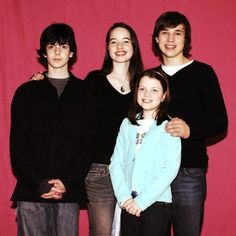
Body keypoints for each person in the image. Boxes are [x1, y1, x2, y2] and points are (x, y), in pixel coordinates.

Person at [10, 23, 95, 236]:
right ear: (44, 53)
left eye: (63, 46)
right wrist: (39, 182)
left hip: (68, 191)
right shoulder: (26, 93)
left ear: (72, 52)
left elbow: (88, 145)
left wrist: (66, 182)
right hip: (31, 191)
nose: (57, 52)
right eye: (51, 46)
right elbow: (18, 145)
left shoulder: (85, 93)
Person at [151, 11, 228, 236]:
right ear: (156, 39)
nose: (171, 39)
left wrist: (190, 130)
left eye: (178, 33)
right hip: (153, 173)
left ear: (187, 39)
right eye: (165, 33)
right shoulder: (149, 77)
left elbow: (220, 121)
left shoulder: (203, 73)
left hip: (189, 171)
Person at [84, 22, 143, 236]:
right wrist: (43, 80)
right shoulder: (94, 81)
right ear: (107, 48)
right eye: (113, 41)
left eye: (125, 41)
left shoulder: (143, 84)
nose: (119, 46)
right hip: (101, 170)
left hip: (135, 171)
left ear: (134, 47)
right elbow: (70, 104)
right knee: (102, 231)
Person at [109, 69, 181, 236]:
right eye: (142, 89)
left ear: (163, 96)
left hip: (156, 204)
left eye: (154, 90)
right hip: (128, 203)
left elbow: (170, 170)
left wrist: (141, 202)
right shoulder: (127, 124)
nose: (147, 94)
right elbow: (116, 163)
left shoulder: (169, 127)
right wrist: (124, 198)